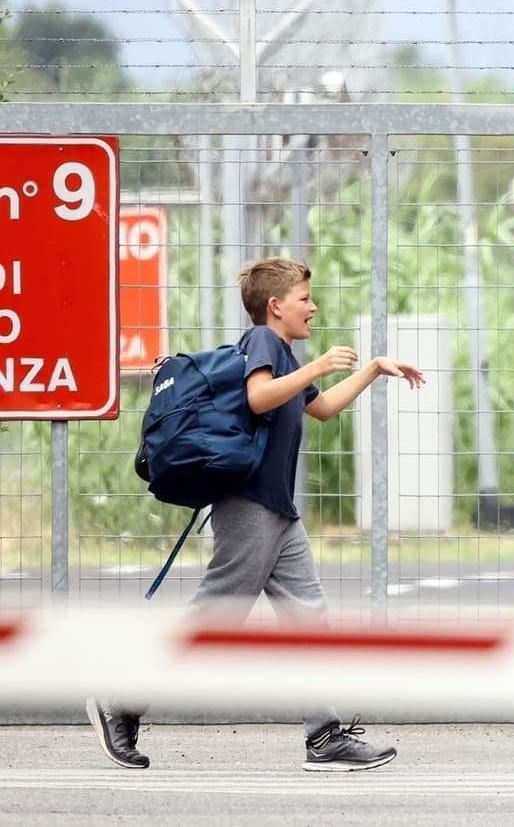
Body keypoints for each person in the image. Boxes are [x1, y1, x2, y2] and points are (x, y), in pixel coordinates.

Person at [88, 256, 425, 772]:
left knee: (308, 617)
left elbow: (323, 408)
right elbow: (259, 397)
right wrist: (317, 366)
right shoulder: (263, 342)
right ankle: (121, 701)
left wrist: (373, 369)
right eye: (304, 298)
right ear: (275, 306)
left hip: (279, 513)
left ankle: (324, 736)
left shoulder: (284, 355)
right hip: (249, 506)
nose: (313, 307)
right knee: (213, 619)